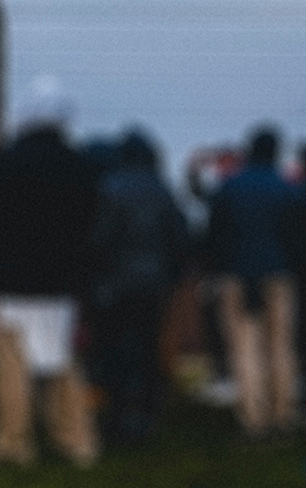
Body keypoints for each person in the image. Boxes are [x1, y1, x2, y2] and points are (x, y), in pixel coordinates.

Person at [0, 79, 101, 469]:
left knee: (10, 367)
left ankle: (13, 444)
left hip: (8, 283)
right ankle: (76, 441)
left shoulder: (6, 161)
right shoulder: (79, 166)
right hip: (60, 283)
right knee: (61, 363)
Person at [88, 129, 191, 445]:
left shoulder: (110, 188)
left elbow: (100, 240)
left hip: (116, 286)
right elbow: (179, 237)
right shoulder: (163, 189)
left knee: (116, 352)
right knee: (148, 350)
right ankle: (146, 414)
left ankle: (117, 417)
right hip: (155, 284)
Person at [203, 125, 306, 439]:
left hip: (237, 275)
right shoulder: (288, 188)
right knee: (282, 346)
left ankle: (254, 419)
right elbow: (298, 235)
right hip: (279, 274)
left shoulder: (230, 186)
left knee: (245, 348)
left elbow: (215, 233)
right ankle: (283, 414)